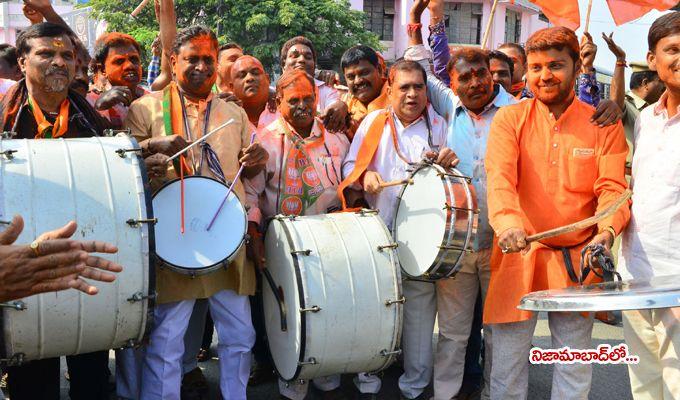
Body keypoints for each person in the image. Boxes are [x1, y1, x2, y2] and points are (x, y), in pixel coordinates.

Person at [484, 26, 630, 400]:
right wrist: (508, 223)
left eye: (555, 65)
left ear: (575, 67)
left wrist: (606, 233)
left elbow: (612, 190)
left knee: (573, 363)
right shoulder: (509, 120)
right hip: (520, 254)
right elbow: (500, 179)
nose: (544, 75)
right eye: (535, 67)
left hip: (579, 260)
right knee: (507, 365)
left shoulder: (603, 123)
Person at [125, 24, 267, 400]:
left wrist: (258, 158)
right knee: (168, 336)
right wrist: (149, 158)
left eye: (208, 59)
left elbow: (251, 172)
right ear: (174, 60)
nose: (202, 66)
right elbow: (123, 169)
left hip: (226, 234)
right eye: (192, 58)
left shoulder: (233, 112)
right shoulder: (146, 108)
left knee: (240, 334)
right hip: (173, 237)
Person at [403, 2, 516, 399]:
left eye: (480, 74)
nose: (474, 83)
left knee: (499, 332)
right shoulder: (450, 108)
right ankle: (445, 395)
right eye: (464, 77)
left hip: (505, 245)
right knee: (452, 335)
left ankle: (493, 393)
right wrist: (424, 18)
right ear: (453, 83)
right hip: (459, 245)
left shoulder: (519, 113)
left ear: (492, 74)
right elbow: (417, 64)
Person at [0, 22, 117, 400]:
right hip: (21, 267)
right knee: (33, 376)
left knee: (93, 369)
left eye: (66, 55)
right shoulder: (4, 117)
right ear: (22, 62)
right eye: (46, 54)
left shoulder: (91, 121)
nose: (59, 62)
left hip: (83, 259)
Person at [341, 59, 452, 400]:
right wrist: (365, 176)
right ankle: (368, 379)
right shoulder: (375, 121)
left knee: (419, 314)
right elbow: (349, 164)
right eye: (404, 87)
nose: (412, 94)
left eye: (418, 86)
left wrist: (448, 161)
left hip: (423, 239)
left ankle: (414, 385)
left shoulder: (440, 125)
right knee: (376, 308)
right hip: (376, 234)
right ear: (389, 90)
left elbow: (454, 180)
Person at [244, 68, 349, 400]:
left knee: (329, 312)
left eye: (308, 99)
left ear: (317, 99)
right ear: (279, 101)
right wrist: (256, 238)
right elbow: (251, 197)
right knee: (289, 317)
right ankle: (293, 383)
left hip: (330, 243)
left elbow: (351, 184)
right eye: (294, 100)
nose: (303, 106)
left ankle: (327, 378)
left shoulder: (336, 137)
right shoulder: (265, 141)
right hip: (284, 249)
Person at [617, 11, 680, 400]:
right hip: (636, 275)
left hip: (678, 281)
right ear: (653, 60)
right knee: (644, 387)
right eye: (672, 49)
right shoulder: (646, 120)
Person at [280, 36, 348, 132]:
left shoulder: (327, 91)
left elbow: (334, 105)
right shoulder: (273, 95)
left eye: (308, 57)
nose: (301, 60)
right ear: (283, 65)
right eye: (295, 56)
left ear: (314, 65)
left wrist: (341, 105)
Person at [88, 32, 146, 128]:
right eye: (119, 61)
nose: (130, 66)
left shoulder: (151, 99)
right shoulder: (88, 101)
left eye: (134, 59)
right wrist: (99, 108)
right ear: (103, 69)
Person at [340, 45, 388, 140]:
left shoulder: (398, 95)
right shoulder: (344, 105)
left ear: (378, 69)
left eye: (364, 73)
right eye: (351, 77)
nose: (358, 81)